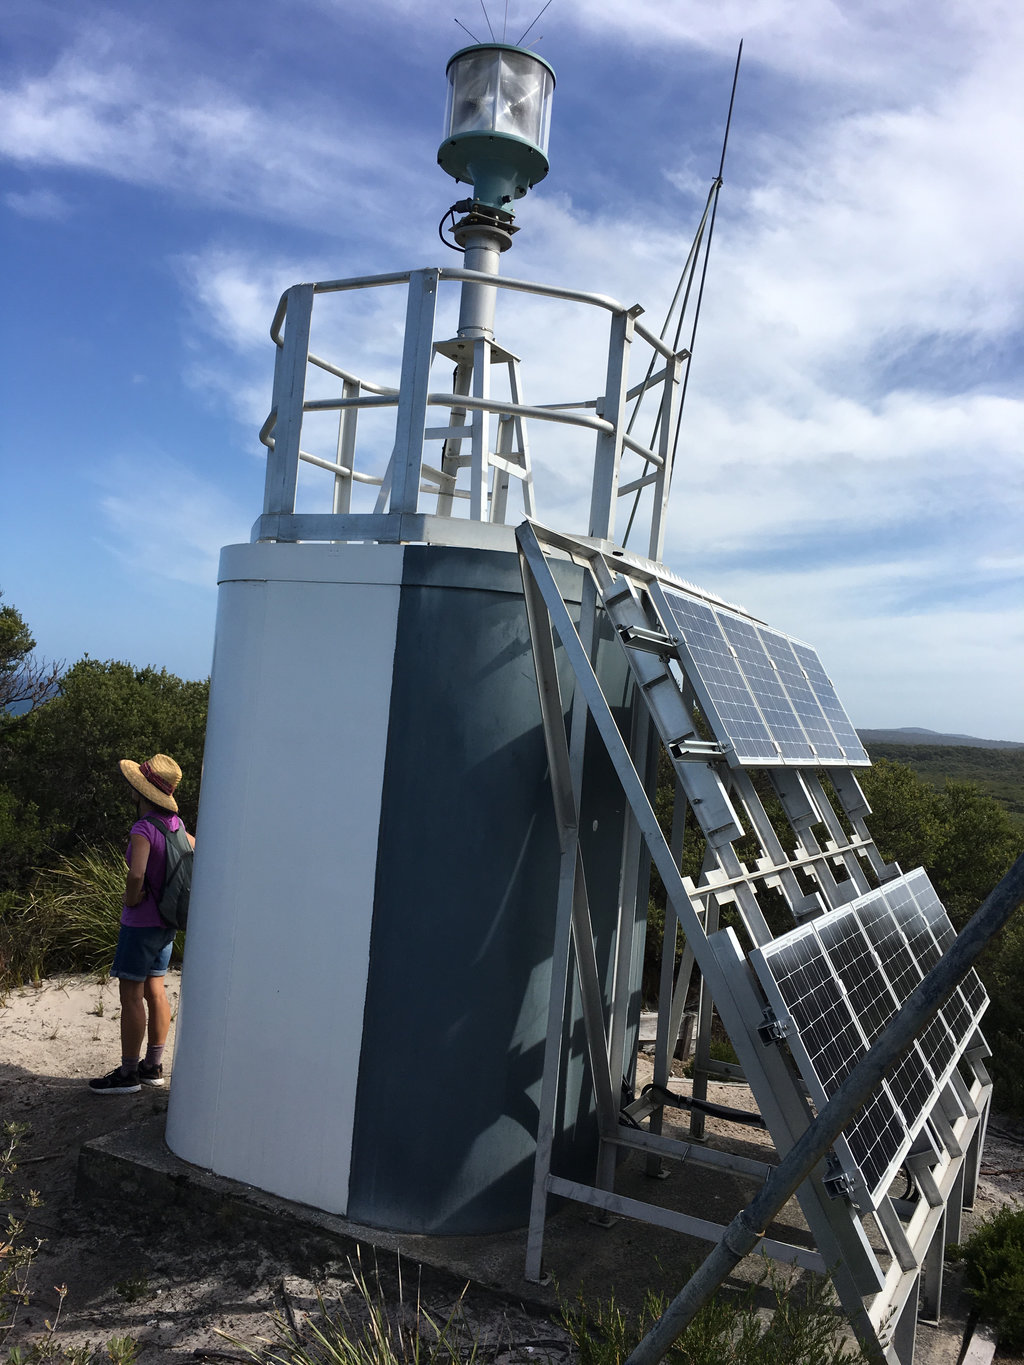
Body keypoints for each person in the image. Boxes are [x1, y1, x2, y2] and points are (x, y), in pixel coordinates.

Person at [89, 753, 196, 1095]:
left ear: (142, 791)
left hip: (141, 923)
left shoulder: (143, 829)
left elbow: (136, 873)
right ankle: (154, 1066)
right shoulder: (179, 828)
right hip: (167, 922)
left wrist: (131, 898)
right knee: (156, 989)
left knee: (131, 995)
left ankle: (128, 1073)